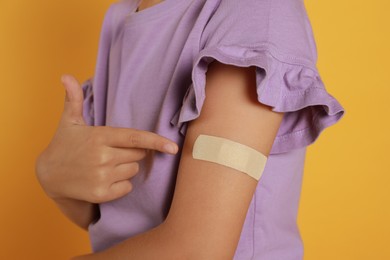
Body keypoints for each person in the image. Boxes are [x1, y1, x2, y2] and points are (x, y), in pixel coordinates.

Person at [35, 0, 345, 259]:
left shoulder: (255, 10)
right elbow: (114, 224)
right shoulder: (120, 17)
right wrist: (52, 178)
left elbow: (197, 251)